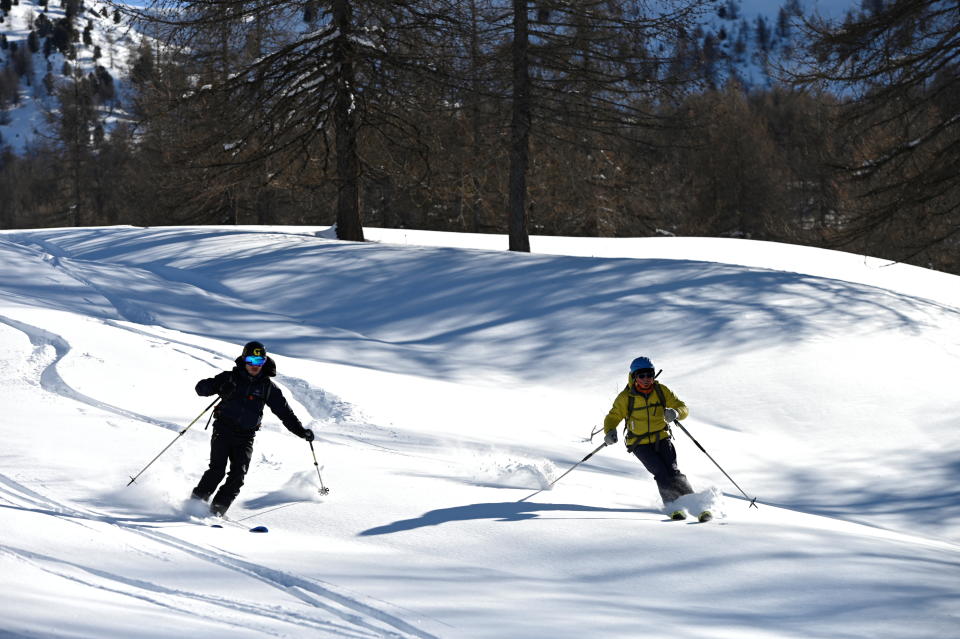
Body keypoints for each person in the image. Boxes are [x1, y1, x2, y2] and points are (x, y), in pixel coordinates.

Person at [191, 341, 314, 516]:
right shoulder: (229, 378)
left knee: (237, 476)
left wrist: (301, 431)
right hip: (223, 430)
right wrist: (218, 387)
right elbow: (200, 389)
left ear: (264, 362)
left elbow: (285, 413)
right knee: (217, 471)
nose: (254, 366)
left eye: (259, 361)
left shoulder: (268, 388)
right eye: (250, 360)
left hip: (245, 436)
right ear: (243, 359)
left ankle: (216, 512)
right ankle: (194, 505)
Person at [601, 356, 694, 508]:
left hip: (662, 438)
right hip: (639, 443)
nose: (646, 379)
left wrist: (676, 413)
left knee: (673, 471)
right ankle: (673, 507)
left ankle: (693, 504)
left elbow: (683, 407)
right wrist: (610, 431)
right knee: (661, 472)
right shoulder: (626, 397)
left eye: (649, 374)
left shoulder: (661, 391)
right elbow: (613, 416)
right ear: (634, 377)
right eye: (641, 375)